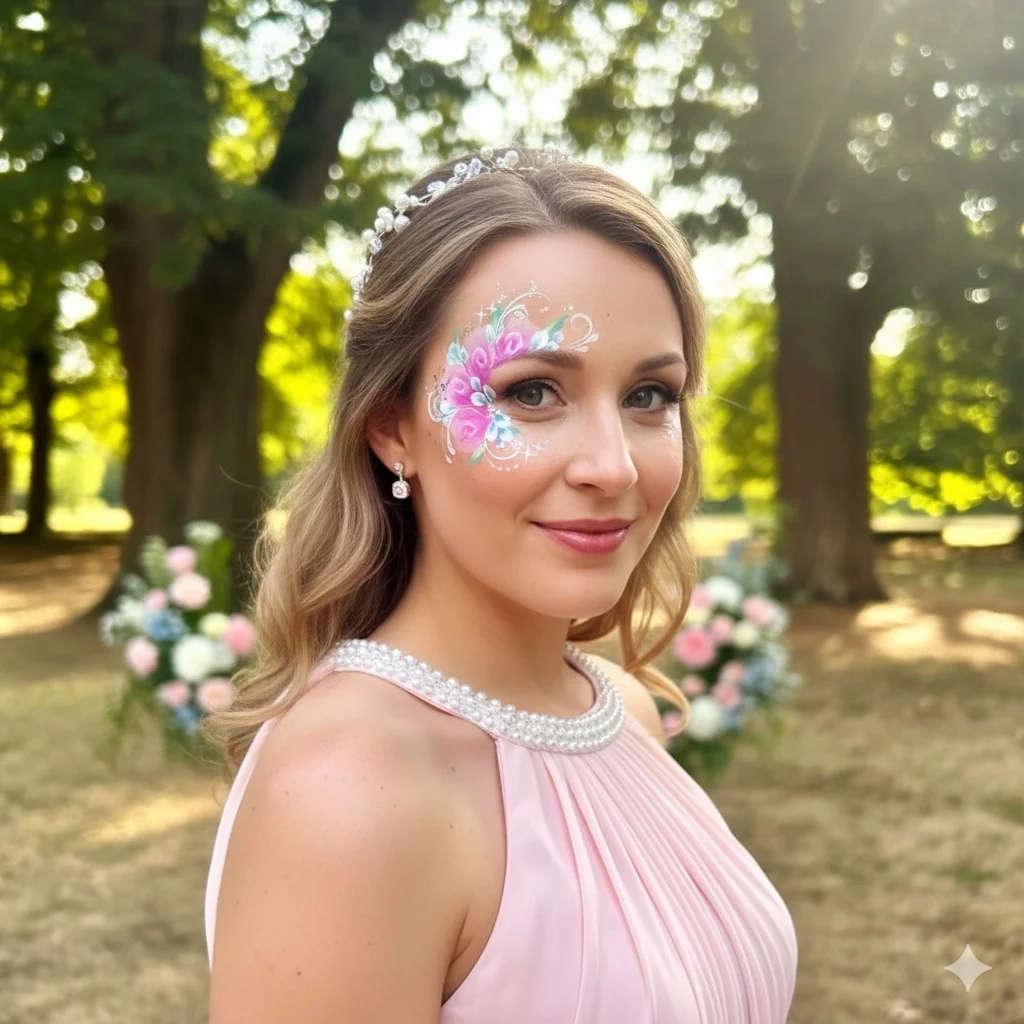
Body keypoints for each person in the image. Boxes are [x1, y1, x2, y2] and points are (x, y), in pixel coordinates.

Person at [203, 145, 798, 1022]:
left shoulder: (620, 710)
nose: (612, 465)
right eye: (531, 393)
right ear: (391, 426)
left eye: (648, 396)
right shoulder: (353, 787)